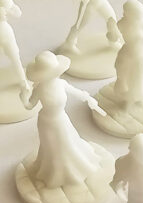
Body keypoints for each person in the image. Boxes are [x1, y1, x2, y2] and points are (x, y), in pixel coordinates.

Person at [21, 51, 105, 188]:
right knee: (52, 149)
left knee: (67, 143)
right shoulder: (40, 89)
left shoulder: (61, 84)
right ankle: (53, 174)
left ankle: (74, 171)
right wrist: (24, 98)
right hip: (46, 122)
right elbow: (30, 105)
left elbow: (77, 92)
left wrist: (89, 99)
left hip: (61, 119)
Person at [110, 0, 143, 107]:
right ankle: (127, 98)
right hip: (126, 53)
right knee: (123, 76)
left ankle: (140, 98)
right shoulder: (122, 24)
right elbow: (114, 38)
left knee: (138, 77)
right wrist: (111, 29)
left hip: (140, 55)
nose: (140, 17)